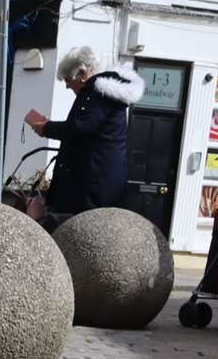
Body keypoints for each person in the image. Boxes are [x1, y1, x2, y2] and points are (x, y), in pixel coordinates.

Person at [23, 47, 145, 226]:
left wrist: (46, 128)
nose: (67, 85)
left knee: (74, 229)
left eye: (67, 80)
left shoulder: (94, 92)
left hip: (88, 185)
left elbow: (79, 128)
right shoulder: (105, 94)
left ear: (81, 73)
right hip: (102, 180)